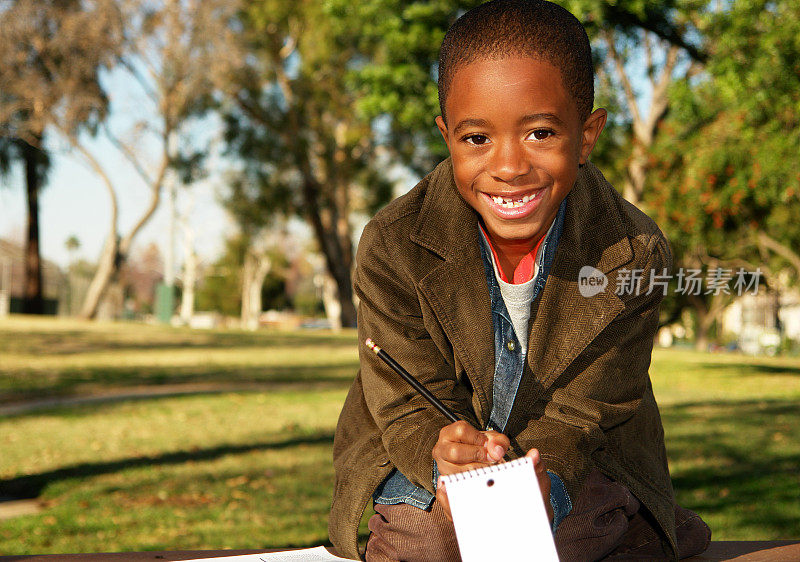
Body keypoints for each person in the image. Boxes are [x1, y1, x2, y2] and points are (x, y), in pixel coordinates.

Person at [329, 1, 710, 560]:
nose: (508, 166)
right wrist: (446, 452)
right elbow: (404, 402)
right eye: (476, 139)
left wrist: (541, 481)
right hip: (424, 459)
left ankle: (636, 522)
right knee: (429, 543)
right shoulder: (393, 244)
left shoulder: (632, 253)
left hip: (573, 457)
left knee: (554, 538)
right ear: (447, 136)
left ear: (586, 135)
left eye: (539, 132)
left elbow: (589, 411)